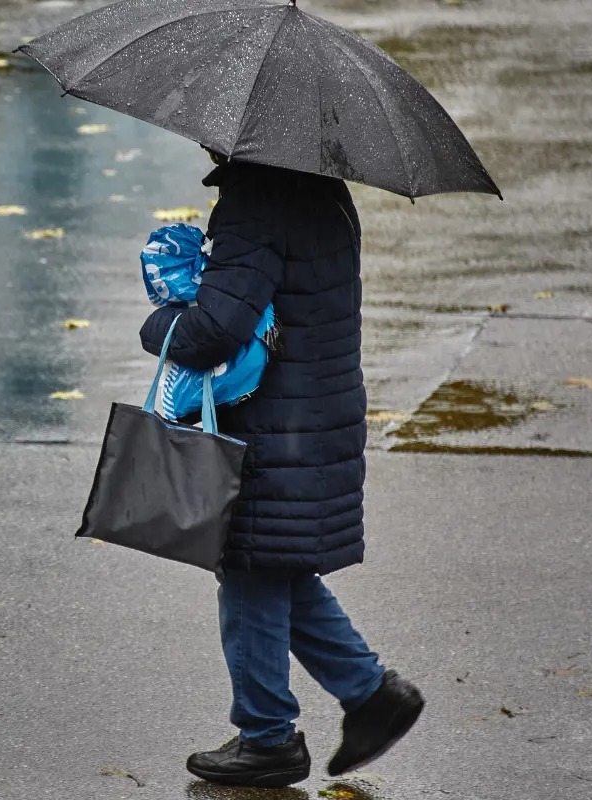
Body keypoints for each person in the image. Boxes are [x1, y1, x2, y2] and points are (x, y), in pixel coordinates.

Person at [139, 151, 424, 788]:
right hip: (313, 417)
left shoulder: (256, 202)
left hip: (274, 426)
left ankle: (267, 736)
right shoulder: (322, 192)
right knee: (270, 567)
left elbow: (215, 328)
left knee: (248, 567)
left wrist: (158, 322)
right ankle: (370, 693)